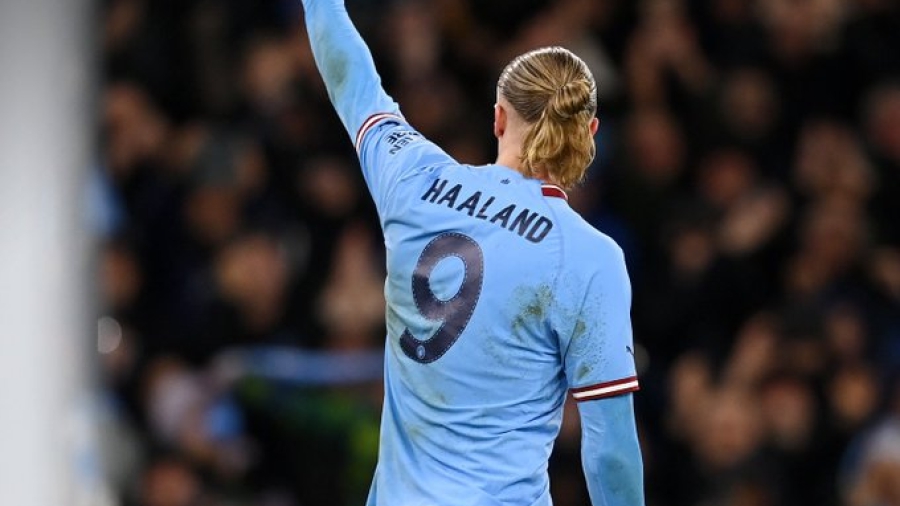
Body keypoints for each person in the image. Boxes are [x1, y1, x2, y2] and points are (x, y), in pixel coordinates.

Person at [298, 1, 645, 505]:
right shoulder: (589, 257)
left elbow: (353, 81)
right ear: (590, 133)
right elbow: (610, 449)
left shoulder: (417, 179)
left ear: (499, 118)